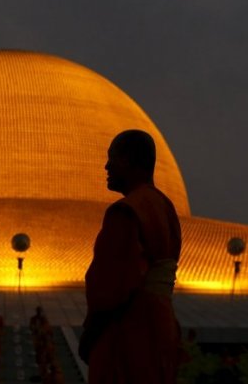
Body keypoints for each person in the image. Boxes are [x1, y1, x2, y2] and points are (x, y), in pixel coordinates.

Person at [79, 129, 182, 384]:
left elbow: (112, 285)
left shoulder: (127, 211)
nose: (106, 166)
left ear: (126, 159)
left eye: (111, 158)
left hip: (131, 331)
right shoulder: (164, 207)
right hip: (162, 326)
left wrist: (90, 334)